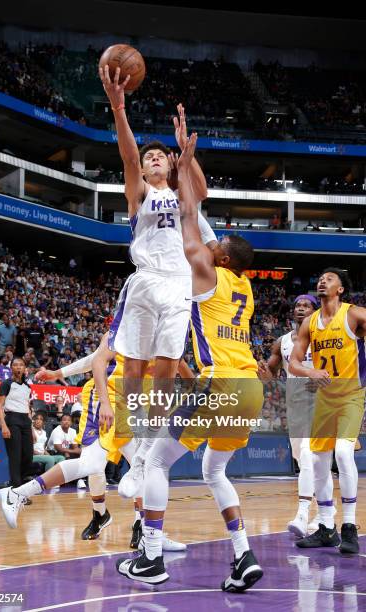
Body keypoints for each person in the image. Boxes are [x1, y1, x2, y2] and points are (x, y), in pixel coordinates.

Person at [116, 134, 263, 591]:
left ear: (220, 257)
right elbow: (195, 208)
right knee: (213, 471)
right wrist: (188, 162)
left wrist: (185, 166)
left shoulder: (203, 269)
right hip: (252, 389)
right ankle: (243, 555)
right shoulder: (247, 290)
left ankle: (152, 558)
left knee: (157, 462)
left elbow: (193, 214)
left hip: (219, 385)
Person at [98, 77, 215, 497]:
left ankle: (147, 450)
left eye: (157, 157)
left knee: (166, 369)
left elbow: (200, 192)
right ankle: (136, 446)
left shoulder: (182, 191)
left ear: (168, 163)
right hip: (145, 281)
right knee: (133, 369)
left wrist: (188, 156)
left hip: (178, 282)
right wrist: (118, 109)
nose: (151, 160)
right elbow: (128, 155)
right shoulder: (139, 192)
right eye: (148, 159)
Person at [0, 339, 186, 555]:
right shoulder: (131, 318)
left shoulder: (171, 332)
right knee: (103, 465)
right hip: (109, 398)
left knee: (139, 466)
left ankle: (145, 530)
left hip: (133, 403)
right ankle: (124, 523)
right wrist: (59, 373)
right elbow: (97, 359)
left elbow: (177, 378)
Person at [290, 268, 366, 554]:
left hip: (351, 396)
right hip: (324, 399)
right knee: (318, 461)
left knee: (344, 454)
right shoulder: (309, 322)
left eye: (330, 278)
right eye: (320, 278)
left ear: (341, 289)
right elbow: (294, 363)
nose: (323, 280)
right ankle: (325, 527)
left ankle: (349, 526)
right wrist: (310, 371)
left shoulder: (355, 314)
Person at [258, 295, 319, 536]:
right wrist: (263, 374)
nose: (301, 309)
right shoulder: (282, 342)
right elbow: (270, 375)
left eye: (306, 306)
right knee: (301, 457)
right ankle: (326, 512)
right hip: (295, 406)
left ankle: (303, 513)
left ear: (315, 311)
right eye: (298, 306)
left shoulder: (324, 337)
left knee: (307, 455)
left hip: (321, 404)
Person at [0, 358, 34, 491]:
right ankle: (16, 489)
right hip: (12, 420)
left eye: (21, 365)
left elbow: (28, 407)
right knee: (15, 456)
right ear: (11, 368)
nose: (18, 367)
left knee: (28, 456)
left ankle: (21, 487)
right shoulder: (6, 384)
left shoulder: (28, 387)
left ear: (25, 368)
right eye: (15, 365)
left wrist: (32, 428)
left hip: (25, 421)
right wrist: (3, 425)